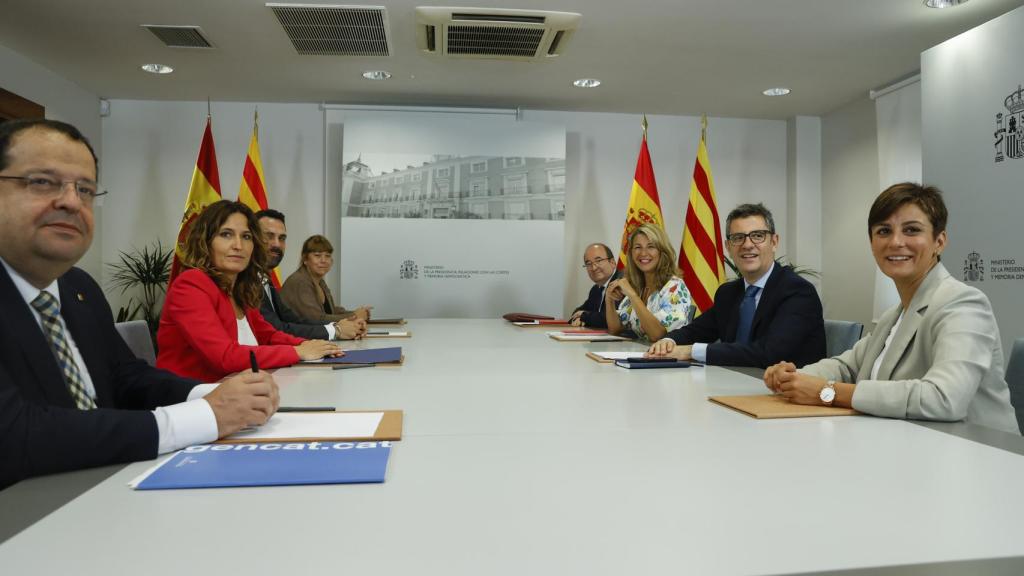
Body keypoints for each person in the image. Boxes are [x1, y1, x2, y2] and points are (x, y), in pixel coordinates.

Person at [0, 119, 280, 489]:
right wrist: (203, 416)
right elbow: (16, 435)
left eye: (85, 189)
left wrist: (210, 394)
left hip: (104, 485)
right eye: (42, 182)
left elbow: (125, 377)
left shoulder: (77, 287)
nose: (70, 201)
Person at [764, 183, 1019, 433]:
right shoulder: (894, 315)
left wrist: (826, 392)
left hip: (980, 455)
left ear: (939, 241)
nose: (896, 242)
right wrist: (792, 377)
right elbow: (847, 367)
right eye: (884, 231)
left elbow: (943, 399)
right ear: (872, 243)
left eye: (911, 230)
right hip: (909, 444)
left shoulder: (963, 304)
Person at [157, 201, 342, 382]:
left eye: (246, 237)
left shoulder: (240, 288)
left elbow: (267, 335)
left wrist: (306, 344)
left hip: (239, 390)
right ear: (205, 242)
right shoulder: (191, 285)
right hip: (194, 399)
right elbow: (224, 357)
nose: (238, 245)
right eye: (226, 234)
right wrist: (297, 352)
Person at [647, 203, 826, 368]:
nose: (747, 245)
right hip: (734, 384)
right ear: (728, 247)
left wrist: (690, 350)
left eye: (757, 236)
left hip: (786, 394)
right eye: (738, 238)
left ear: (774, 242)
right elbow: (696, 330)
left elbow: (769, 353)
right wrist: (669, 341)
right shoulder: (728, 292)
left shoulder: (797, 292)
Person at [255, 209, 366, 340]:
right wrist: (338, 329)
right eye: (269, 236)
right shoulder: (251, 281)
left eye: (282, 238)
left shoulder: (265, 279)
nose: (277, 244)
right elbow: (278, 329)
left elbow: (294, 320)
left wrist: (342, 325)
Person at [605, 224, 692, 341]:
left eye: (650, 246)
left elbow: (657, 335)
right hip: (641, 354)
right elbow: (615, 329)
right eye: (637, 247)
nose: (643, 253)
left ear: (662, 251)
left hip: (667, 357)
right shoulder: (638, 286)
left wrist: (633, 296)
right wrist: (609, 299)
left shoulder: (675, 286)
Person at [280, 235, 372, 324]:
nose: (323, 260)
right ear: (305, 259)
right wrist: (355, 316)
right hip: (299, 338)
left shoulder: (320, 281)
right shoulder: (300, 282)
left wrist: (359, 313)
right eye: (317, 255)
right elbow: (317, 319)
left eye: (327, 256)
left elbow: (330, 311)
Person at [570, 243, 621, 328]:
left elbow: (610, 318)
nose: (594, 267)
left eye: (598, 261)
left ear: (612, 262)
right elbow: (578, 312)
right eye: (588, 263)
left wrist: (584, 316)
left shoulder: (619, 283)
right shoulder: (596, 289)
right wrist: (579, 317)